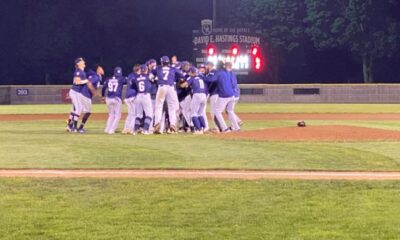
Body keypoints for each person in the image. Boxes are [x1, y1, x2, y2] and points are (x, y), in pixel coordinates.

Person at [206, 61, 240, 133]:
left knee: (217, 112)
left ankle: (225, 128)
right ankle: (237, 127)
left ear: (218, 66)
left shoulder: (219, 73)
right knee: (230, 111)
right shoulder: (228, 73)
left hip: (224, 95)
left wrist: (202, 76)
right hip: (232, 95)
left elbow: (210, 79)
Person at [154, 56, 184, 134]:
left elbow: (151, 76)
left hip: (162, 87)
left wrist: (154, 79)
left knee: (159, 106)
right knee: (172, 107)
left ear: (162, 62)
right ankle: (173, 124)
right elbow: (182, 76)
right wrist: (178, 80)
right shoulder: (173, 69)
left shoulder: (158, 68)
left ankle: (157, 123)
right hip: (171, 88)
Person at [66, 57, 95, 132]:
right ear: (79, 64)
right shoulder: (79, 71)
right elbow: (77, 82)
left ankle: (70, 126)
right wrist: (86, 80)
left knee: (75, 109)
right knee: (79, 108)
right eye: (82, 61)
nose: (84, 62)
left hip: (76, 92)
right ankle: (74, 127)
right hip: (75, 92)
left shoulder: (82, 72)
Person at [77, 65, 104, 133]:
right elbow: (89, 83)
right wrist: (94, 92)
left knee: (79, 110)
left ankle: (70, 124)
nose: (102, 70)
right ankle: (80, 128)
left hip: (84, 94)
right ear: (98, 70)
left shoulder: (96, 76)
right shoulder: (96, 77)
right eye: (101, 69)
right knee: (87, 112)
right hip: (86, 95)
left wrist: (97, 94)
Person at [102, 67, 126, 134]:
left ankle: (107, 129)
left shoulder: (108, 79)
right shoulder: (121, 78)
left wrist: (103, 96)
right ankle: (112, 130)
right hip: (116, 98)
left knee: (111, 115)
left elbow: (103, 88)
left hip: (108, 98)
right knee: (117, 115)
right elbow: (128, 81)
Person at [183, 67, 207, 134]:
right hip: (204, 95)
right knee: (200, 113)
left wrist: (180, 85)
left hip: (197, 95)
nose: (189, 73)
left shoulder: (192, 78)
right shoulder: (201, 78)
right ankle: (203, 128)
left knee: (194, 113)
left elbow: (184, 85)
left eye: (190, 72)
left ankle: (198, 129)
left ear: (192, 72)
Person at [133, 65, 153, 135]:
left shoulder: (136, 77)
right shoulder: (148, 76)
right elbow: (154, 80)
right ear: (146, 70)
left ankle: (135, 130)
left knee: (138, 115)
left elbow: (133, 84)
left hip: (138, 95)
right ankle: (145, 129)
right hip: (145, 95)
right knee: (149, 114)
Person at [122, 65, 140, 134]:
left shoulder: (130, 75)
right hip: (133, 96)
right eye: (140, 70)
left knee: (130, 114)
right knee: (134, 114)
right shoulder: (136, 76)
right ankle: (130, 129)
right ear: (138, 70)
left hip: (127, 97)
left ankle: (125, 128)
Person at [205, 61, 220, 132]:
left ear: (210, 65)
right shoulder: (209, 73)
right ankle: (219, 127)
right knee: (214, 112)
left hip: (215, 94)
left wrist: (203, 78)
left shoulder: (214, 72)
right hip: (213, 94)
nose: (206, 67)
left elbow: (213, 80)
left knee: (214, 112)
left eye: (207, 65)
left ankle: (218, 127)